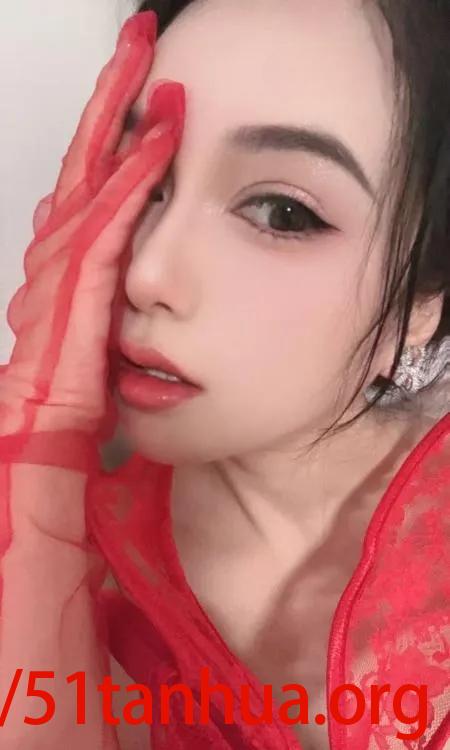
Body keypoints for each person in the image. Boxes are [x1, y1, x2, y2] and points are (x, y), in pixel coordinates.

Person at [0, 2, 448, 749]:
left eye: (282, 213)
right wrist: (38, 515)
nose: (145, 272)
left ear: (425, 302)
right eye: (140, 179)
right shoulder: (57, 551)